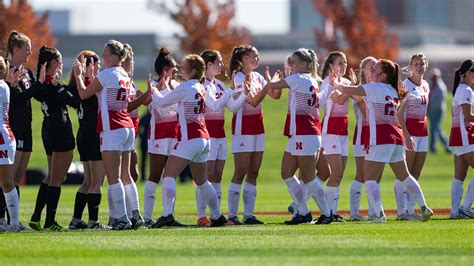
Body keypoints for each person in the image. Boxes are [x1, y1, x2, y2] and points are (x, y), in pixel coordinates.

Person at [332, 59, 433, 222]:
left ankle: (379, 215)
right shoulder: (393, 90)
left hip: (380, 137)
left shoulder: (374, 88)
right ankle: (424, 206)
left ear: (384, 75)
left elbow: (347, 89)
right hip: (396, 138)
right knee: (405, 176)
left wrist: (336, 83)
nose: (372, 70)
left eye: (376, 68)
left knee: (370, 178)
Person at [252, 48, 333, 225]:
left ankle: (326, 214)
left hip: (305, 133)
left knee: (309, 176)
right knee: (287, 173)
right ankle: (303, 212)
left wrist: (270, 80)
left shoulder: (299, 78)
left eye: (294, 63)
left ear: (305, 64)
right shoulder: (310, 80)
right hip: (301, 134)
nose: (291, 66)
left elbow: (273, 87)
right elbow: (318, 102)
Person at [148, 54, 227, 228]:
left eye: (183, 66)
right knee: (202, 181)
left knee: (169, 174)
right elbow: (190, 105)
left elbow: (161, 102)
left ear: (192, 70)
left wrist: (152, 90)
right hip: (204, 139)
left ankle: (167, 215)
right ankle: (217, 216)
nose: (180, 68)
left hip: (191, 138)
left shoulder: (185, 87)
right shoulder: (200, 86)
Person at [73, 40, 144, 230]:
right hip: (127, 126)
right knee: (126, 175)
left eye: (105, 53)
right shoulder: (125, 75)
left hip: (112, 127)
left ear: (114, 56)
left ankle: (121, 218)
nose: (102, 56)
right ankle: (135, 214)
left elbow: (84, 94)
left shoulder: (106, 74)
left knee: (114, 178)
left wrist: (79, 76)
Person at [225, 45, 280, 225]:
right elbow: (254, 101)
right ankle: (232, 216)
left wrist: (274, 83)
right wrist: (269, 86)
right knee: (240, 171)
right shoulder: (238, 77)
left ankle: (248, 215)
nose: (258, 58)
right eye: (254, 55)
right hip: (243, 129)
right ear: (244, 59)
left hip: (257, 127)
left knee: (254, 172)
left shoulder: (257, 76)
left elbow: (275, 96)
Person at [194, 49, 248, 226]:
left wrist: (245, 94)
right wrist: (231, 89)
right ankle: (202, 216)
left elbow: (231, 107)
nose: (221, 65)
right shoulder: (201, 85)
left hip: (220, 135)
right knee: (206, 176)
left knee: (217, 175)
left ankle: (216, 215)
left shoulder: (219, 85)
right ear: (208, 64)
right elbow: (216, 106)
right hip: (206, 135)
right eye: (218, 62)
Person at [30, 46, 78, 231]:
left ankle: (36, 217)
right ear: (53, 63)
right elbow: (75, 101)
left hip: (48, 130)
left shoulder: (42, 84)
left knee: (51, 177)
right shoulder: (53, 85)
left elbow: (39, 93)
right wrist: (61, 86)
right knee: (57, 178)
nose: (62, 63)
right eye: (59, 60)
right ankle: (50, 221)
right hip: (60, 131)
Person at [68, 51, 106, 230]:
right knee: (97, 181)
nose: (99, 69)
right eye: (97, 65)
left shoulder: (79, 84)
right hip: (92, 135)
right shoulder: (90, 85)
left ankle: (76, 220)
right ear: (91, 66)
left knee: (88, 181)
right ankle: (93, 222)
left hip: (83, 135)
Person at [142, 47, 180, 227]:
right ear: (166, 70)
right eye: (174, 69)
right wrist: (156, 87)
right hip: (158, 136)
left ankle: (168, 215)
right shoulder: (154, 86)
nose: (176, 72)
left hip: (175, 135)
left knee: (170, 176)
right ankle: (147, 218)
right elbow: (147, 105)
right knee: (154, 176)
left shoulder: (177, 86)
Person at [1, 31, 34, 225]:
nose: (30, 53)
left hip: (26, 129)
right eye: (26, 49)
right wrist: (10, 84)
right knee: (7, 178)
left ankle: (14, 221)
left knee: (17, 178)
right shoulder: (5, 70)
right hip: (10, 129)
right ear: (15, 50)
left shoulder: (27, 73)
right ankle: (3, 220)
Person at [319, 51, 357, 222]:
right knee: (336, 172)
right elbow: (340, 100)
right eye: (340, 63)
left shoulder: (346, 82)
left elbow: (357, 97)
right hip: (330, 130)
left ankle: (332, 211)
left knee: (339, 174)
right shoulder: (327, 82)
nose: (344, 66)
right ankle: (327, 213)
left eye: (345, 62)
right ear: (331, 66)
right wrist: (353, 87)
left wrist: (354, 87)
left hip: (342, 130)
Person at [396, 53, 430, 220]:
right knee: (405, 174)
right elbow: (399, 114)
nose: (419, 66)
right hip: (410, 132)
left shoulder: (425, 85)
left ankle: (410, 210)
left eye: (422, 64)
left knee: (416, 174)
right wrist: (407, 135)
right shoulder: (405, 85)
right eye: (416, 64)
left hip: (423, 132)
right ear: (410, 66)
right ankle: (402, 212)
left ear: (426, 66)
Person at [348, 56, 378, 222]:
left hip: (377, 135)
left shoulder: (381, 88)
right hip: (363, 135)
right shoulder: (360, 89)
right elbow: (368, 112)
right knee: (362, 174)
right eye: (370, 66)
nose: (374, 69)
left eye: (376, 66)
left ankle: (374, 211)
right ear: (363, 70)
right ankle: (354, 213)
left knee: (375, 175)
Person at [448, 59, 474, 219]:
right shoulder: (466, 90)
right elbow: (468, 116)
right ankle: (465, 207)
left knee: (459, 176)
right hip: (464, 136)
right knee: (459, 176)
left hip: (458, 136)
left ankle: (455, 211)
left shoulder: (462, 89)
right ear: (466, 73)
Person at [428, 68, 450, 153]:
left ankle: (432, 148)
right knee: (437, 130)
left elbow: (438, 103)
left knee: (434, 130)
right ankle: (447, 147)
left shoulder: (440, 87)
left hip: (438, 111)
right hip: (432, 111)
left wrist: (430, 110)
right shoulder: (433, 86)